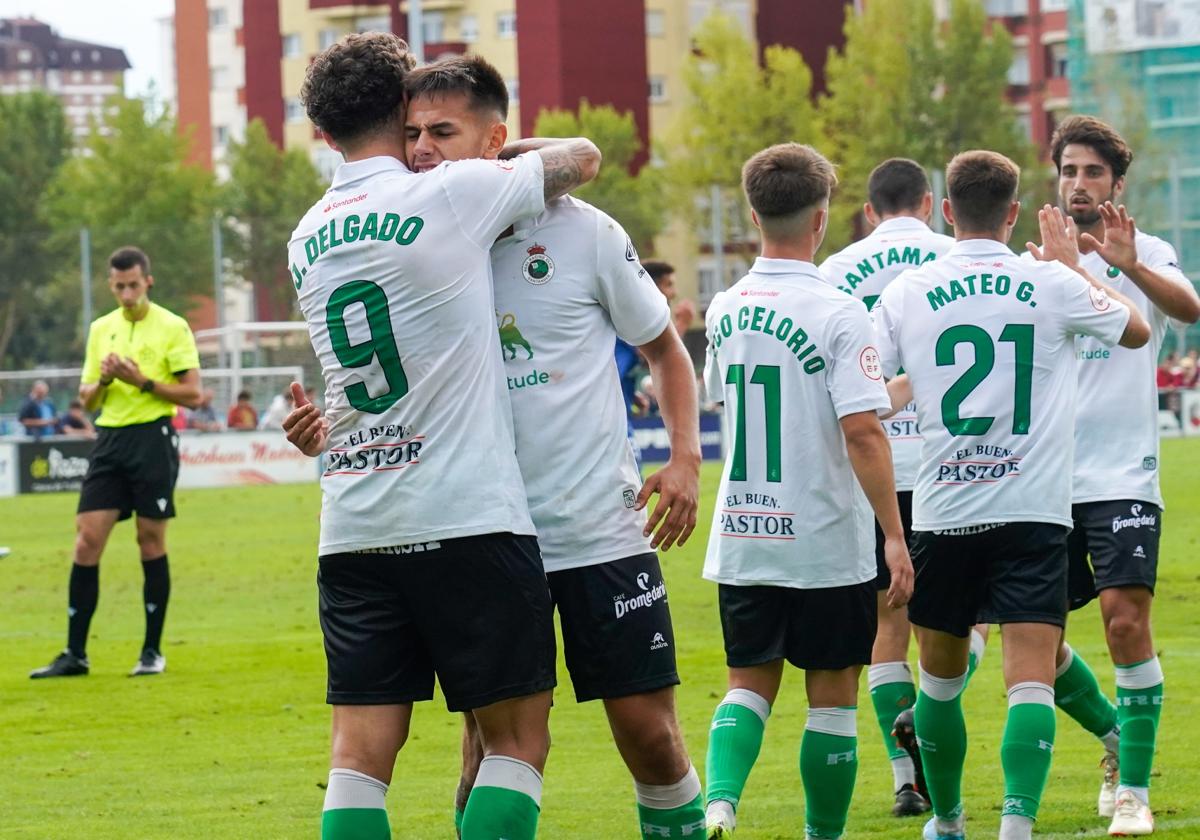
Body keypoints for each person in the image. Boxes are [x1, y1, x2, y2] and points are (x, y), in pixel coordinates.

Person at [281, 32, 599, 840]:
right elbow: (584, 157)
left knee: (356, 759)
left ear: (322, 133)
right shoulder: (455, 191)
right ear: (404, 111)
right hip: (465, 516)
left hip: (352, 524)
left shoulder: (304, 235)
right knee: (517, 742)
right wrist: (495, 155)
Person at [398, 54, 706, 840]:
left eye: (442, 131)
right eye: (412, 134)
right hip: (484, 533)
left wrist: (683, 459)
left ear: (499, 140)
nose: (423, 149)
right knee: (487, 749)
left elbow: (666, 352)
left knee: (650, 734)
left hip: (598, 528)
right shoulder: (414, 242)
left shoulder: (584, 231)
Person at [872, 150, 1149, 840]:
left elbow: (871, 393)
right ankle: (1016, 829)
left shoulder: (909, 291)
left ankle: (946, 819)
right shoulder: (1048, 282)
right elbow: (1137, 331)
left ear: (945, 210)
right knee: (1029, 679)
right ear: (1016, 213)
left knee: (937, 683)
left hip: (943, 512)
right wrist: (1070, 267)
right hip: (1032, 510)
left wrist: (918, 388)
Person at [700, 143, 914, 840]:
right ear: (821, 221)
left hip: (743, 532)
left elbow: (726, 400)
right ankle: (824, 833)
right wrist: (893, 533)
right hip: (822, 536)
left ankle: (721, 801)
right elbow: (861, 433)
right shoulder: (839, 309)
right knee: (831, 700)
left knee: (746, 684)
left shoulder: (725, 306)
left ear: (753, 212)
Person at [1022, 115, 1199, 836]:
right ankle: (1113, 734)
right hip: (1044, 479)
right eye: (1069, 171)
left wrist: (1126, 264)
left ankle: (1133, 793)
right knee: (1033, 637)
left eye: (1094, 172)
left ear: (1116, 184)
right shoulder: (1031, 264)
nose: (1080, 183)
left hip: (1123, 474)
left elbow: (1189, 309)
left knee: (1126, 623)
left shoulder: (1145, 251)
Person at [818, 157, 958, 818]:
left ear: (869, 211)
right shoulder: (956, 255)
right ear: (929, 203)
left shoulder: (835, 270)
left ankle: (906, 778)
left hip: (870, 465)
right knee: (972, 613)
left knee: (886, 622)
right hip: (948, 461)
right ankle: (927, 716)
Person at [30, 246, 202, 679]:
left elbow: (193, 394)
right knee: (87, 539)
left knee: (149, 540)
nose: (127, 294)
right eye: (119, 286)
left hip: (152, 438)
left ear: (148, 281)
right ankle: (75, 654)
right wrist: (105, 378)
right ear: (111, 285)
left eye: (134, 285)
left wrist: (140, 380)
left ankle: (151, 651)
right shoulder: (100, 329)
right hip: (109, 439)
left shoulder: (172, 326)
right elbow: (87, 398)